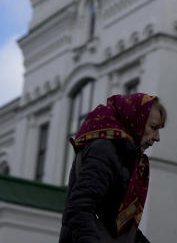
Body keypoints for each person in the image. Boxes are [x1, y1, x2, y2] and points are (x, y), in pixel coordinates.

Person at [59, 93, 166, 243]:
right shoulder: (105, 150)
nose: (157, 137)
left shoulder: (124, 154)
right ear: (135, 120)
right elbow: (79, 208)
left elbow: (117, 224)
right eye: (153, 127)